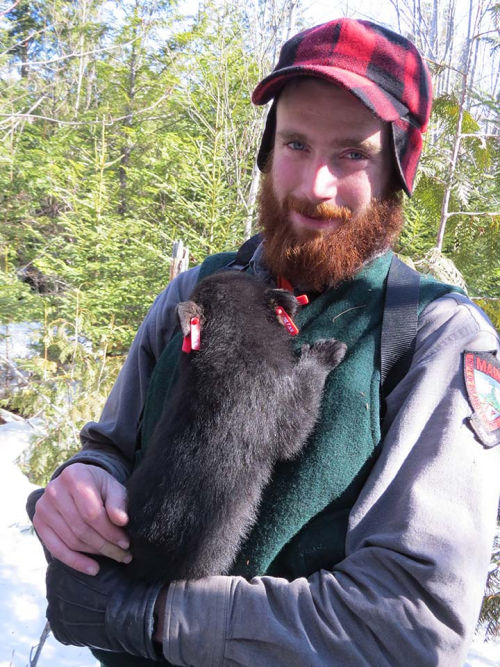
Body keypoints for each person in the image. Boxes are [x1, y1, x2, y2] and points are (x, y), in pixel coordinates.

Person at [28, 17, 500, 667]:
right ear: (267, 147)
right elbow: (111, 448)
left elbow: (412, 622)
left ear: (397, 171)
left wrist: (154, 617)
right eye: (296, 143)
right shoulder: (193, 293)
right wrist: (82, 484)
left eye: (353, 154)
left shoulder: (433, 340)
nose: (314, 186)